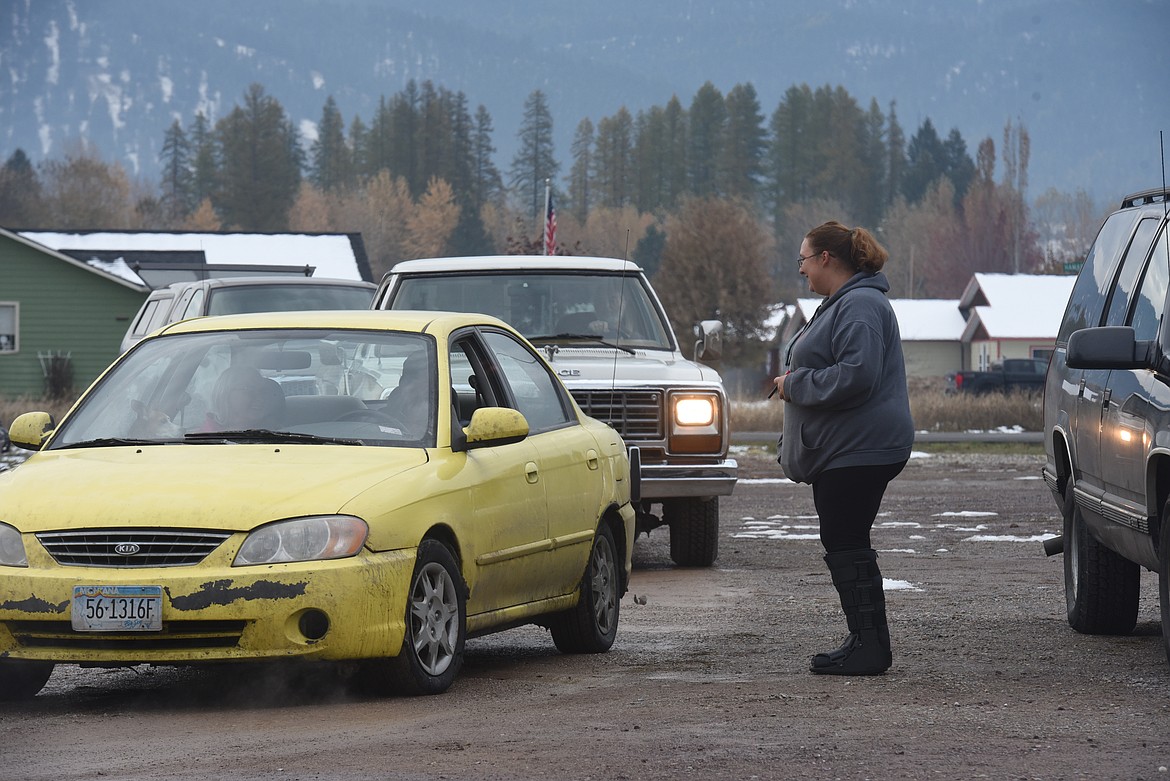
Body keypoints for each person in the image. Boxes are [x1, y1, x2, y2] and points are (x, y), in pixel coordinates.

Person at [772, 220, 914, 676]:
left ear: (825, 259)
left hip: (861, 449)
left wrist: (796, 385)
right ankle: (864, 640)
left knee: (845, 538)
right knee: (845, 538)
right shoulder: (844, 304)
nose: (802, 271)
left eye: (803, 260)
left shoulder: (861, 307)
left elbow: (858, 375)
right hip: (849, 449)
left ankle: (870, 648)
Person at [203, 365, 285, 431]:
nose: (260, 398)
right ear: (225, 394)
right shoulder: (200, 440)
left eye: (263, 391)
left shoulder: (281, 434)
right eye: (248, 389)